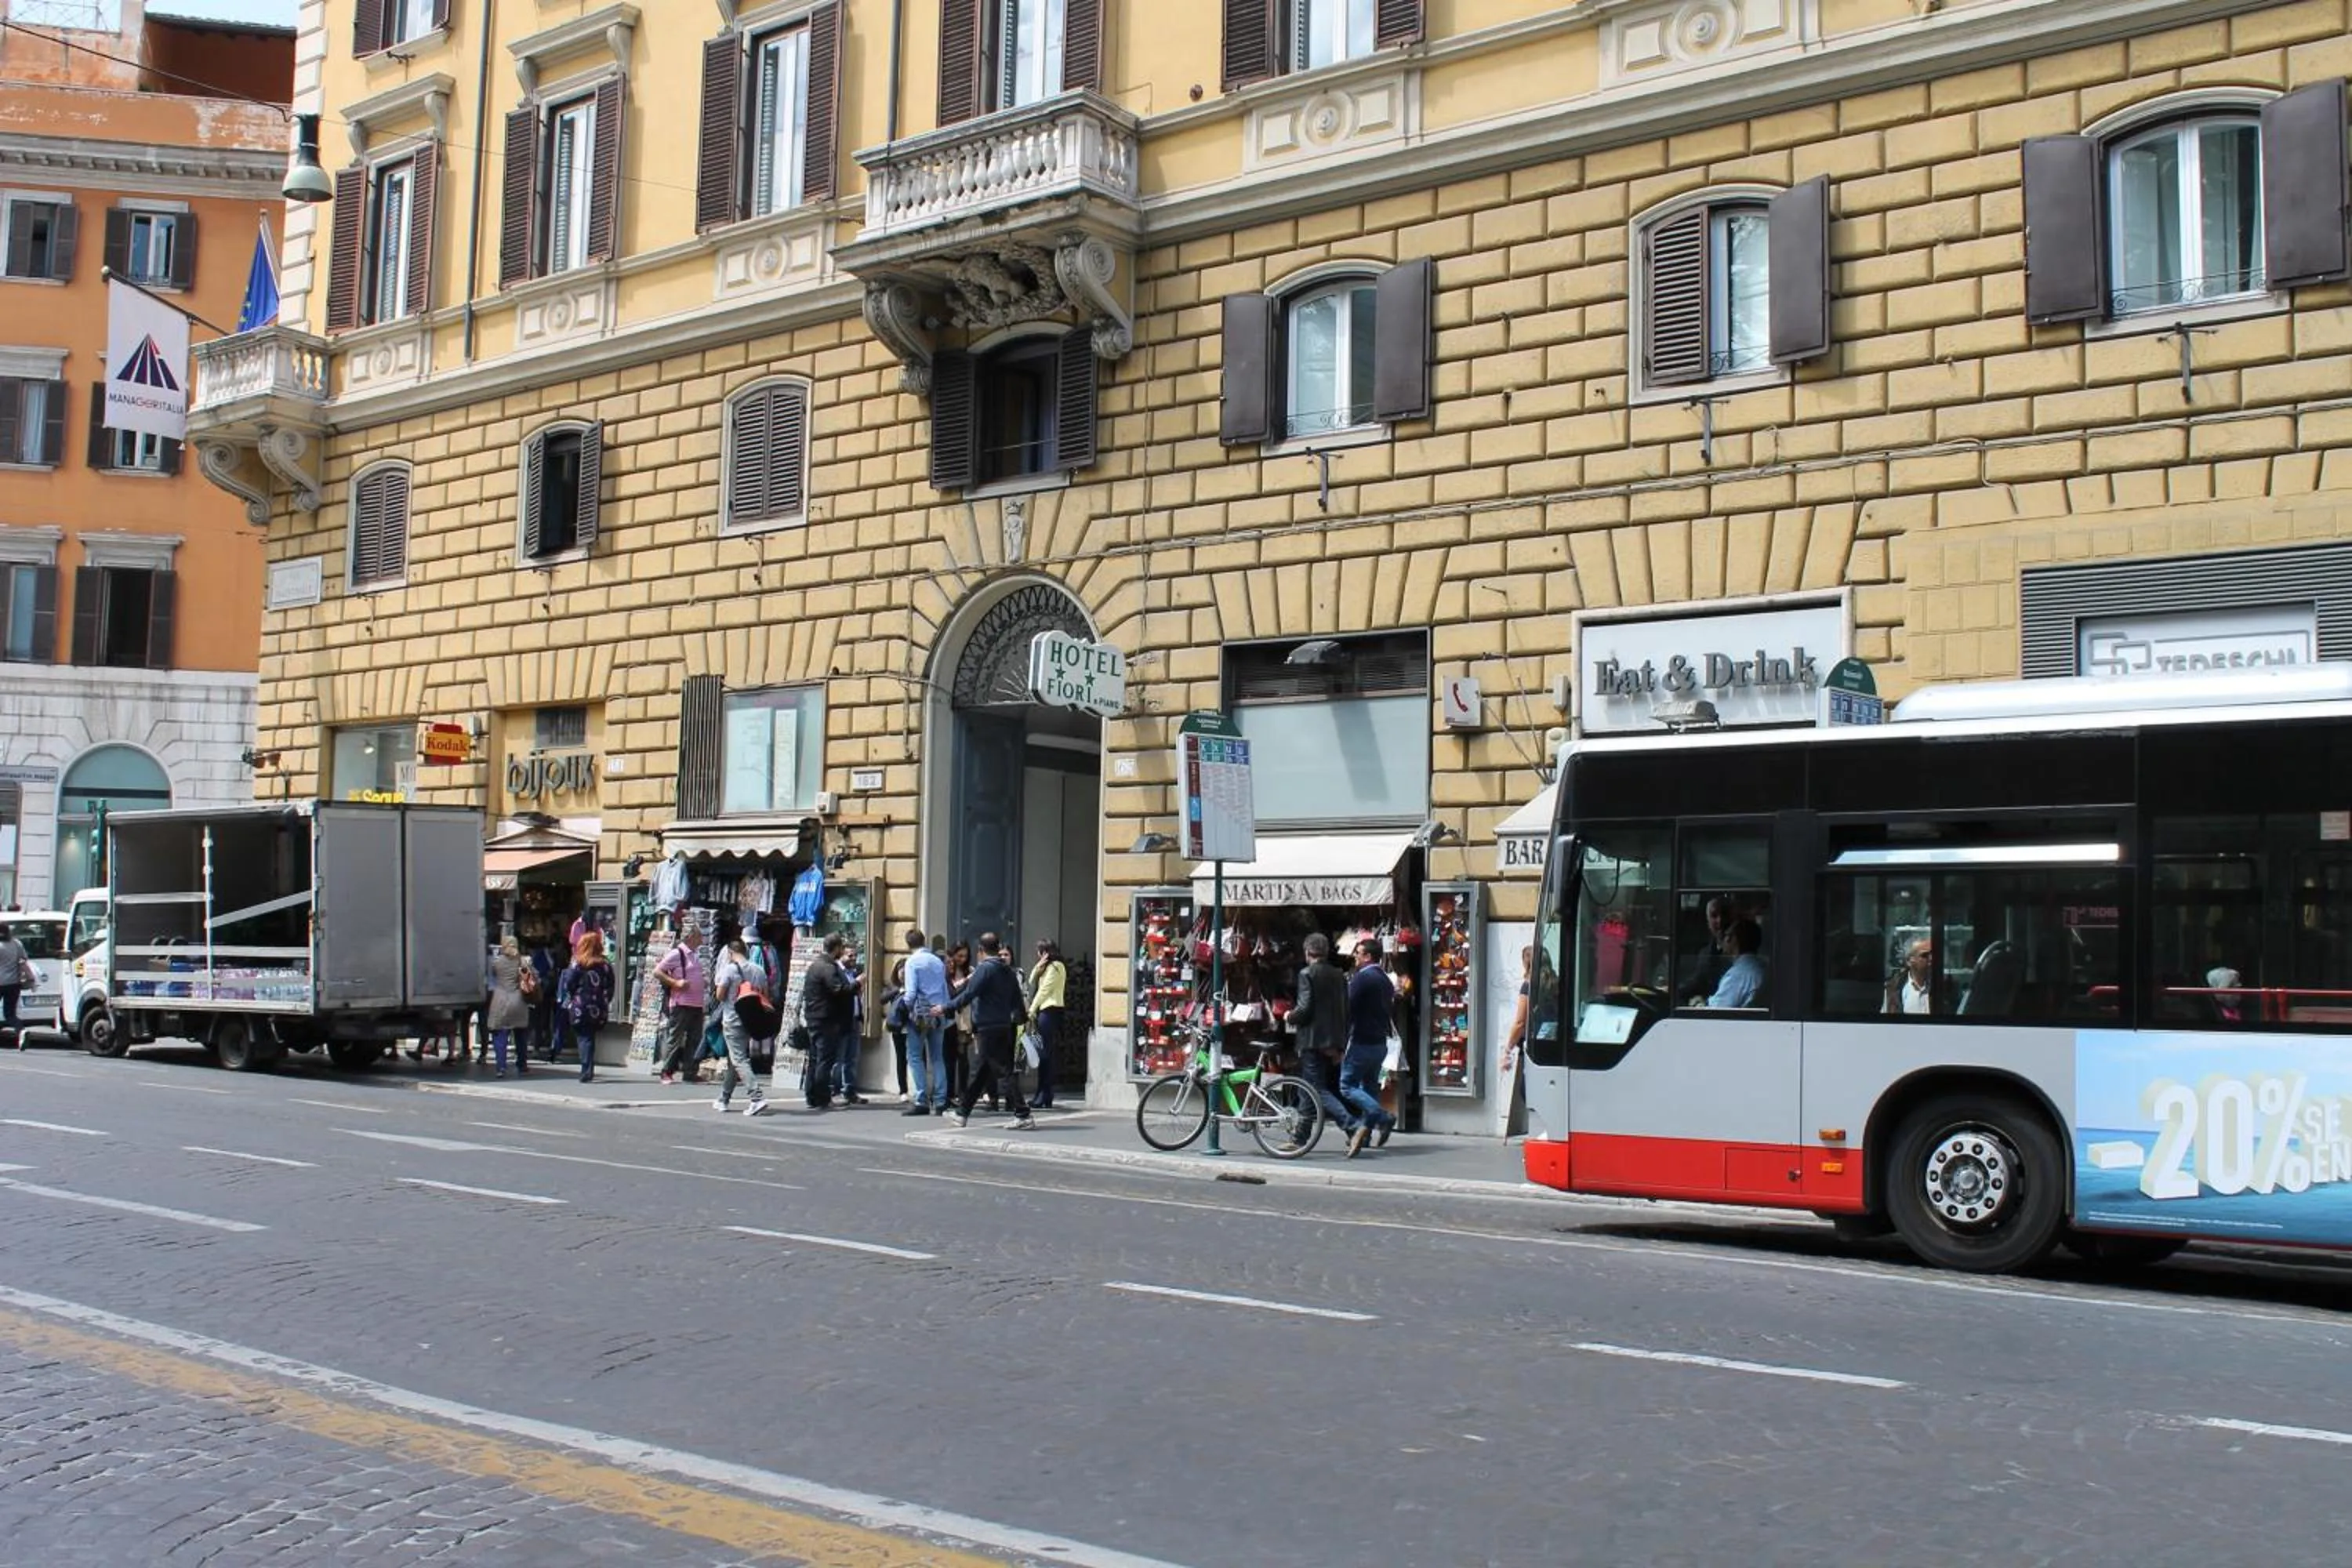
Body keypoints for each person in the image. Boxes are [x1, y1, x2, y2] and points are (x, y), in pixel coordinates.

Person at [942, 931, 1032, 1131]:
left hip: (988, 1028)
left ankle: (1023, 1113)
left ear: (980, 950)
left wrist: (945, 1008)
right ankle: (962, 1114)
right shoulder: (1007, 970)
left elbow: (969, 994)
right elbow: (1017, 997)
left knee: (1003, 1071)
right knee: (981, 1072)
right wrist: (1021, 1020)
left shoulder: (985, 969)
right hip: (1004, 1026)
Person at [1288, 932, 1357, 1140]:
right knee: (1307, 1090)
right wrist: (1341, 1044)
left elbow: (1304, 1009)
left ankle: (1352, 1125)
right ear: (1326, 952)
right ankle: (1301, 1136)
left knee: (1314, 1089)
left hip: (1312, 1040)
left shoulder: (1306, 974)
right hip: (1333, 1040)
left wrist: (1289, 1015)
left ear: (1307, 952)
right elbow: (1346, 1009)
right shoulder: (1339, 975)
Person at [1338, 937, 1399, 1156]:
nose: (1355, 956)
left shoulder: (1362, 978)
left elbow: (1347, 1007)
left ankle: (1383, 1117)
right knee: (1369, 1086)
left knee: (1347, 1086)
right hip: (1379, 1042)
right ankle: (1366, 1135)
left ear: (1368, 957)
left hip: (1361, 1040)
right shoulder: (1385, 979)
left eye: (1358, 953)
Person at [710, 935, 773, 1116]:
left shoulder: (730, 970)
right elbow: (765, 996)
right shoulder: (759, 970)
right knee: (734, 1059)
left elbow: (720, 996)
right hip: (750, 1020)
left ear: (730, 953)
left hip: (732, 1020)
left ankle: (757, 1097)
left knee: (739, 1060)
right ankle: (724, 1098)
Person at [800, 933, 858, 1109]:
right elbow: (838, 990)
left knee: (815, 1058)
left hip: (814, 1017)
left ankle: (812, 1096)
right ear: (837, 948)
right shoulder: (828, 967)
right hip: (826, 1019)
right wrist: (856, 984)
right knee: (824, 1060)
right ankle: (822, 1097)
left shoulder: (815, 965)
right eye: (841, 948)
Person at [901, 929, 950, 1116]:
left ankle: (921, 1099)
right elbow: (944, 988)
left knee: (915, 1056)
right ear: (924, 941)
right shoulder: (937, 961)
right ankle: (940, 1100)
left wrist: (902, 1010)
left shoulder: (912, 962)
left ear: (908, 944)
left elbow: (911, 993)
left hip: (919, 1015)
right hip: (938, 1012)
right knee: (938, 1057)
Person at [555, 931, 614, 1082]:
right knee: (590, 1036)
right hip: (598, 1006)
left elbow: (568, 984)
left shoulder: (578, 963)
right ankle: (589, 1067)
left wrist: (570, 998)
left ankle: (586, 1069)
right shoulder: (605, 965)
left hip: (580, 1005)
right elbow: (610, 985)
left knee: (583, 1037)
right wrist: (605, 1000)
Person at [653, 925, 708, 1084]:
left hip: (696, 1004)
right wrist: (675, 982)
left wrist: (702, 982)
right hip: (681, 1003)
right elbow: (658, 971)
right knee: (675, 1038)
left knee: (695, 1038)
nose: (701, 940)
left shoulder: (695, 955)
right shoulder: (677, 953)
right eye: (699, 937)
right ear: (690, 937)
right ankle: (667, 1071)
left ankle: (690, 1072)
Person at [1025, 938, 1069, 1109]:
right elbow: (1031, 981)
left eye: (1039, 952)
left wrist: (1031, 1010)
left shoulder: (1057, 967)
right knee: (1044, 1054)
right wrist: (1038, 967)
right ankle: (1043, 1094)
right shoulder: (1046, 968)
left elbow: (1044, 991)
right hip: (1044, 1011)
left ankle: (1044, 1094)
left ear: (1045, 952)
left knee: (1045, 1055)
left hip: (1050, 1011)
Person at [483, 938, 532, 1078]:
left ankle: (501, 1067)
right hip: (519, 1001)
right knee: (521, 1035)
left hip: (501, 1000)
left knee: (500, 1035)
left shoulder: (497, 963)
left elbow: (492, 976)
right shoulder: (523, 962)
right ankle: (522, 1065)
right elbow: (529, 982)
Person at [832, 941, 867, 1105]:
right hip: (841, 1020)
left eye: (855, 955)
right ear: (842, 955)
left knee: (852, 1057)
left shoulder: (854, 972)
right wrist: (857, 984)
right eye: (850, 955)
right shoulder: (837, 972)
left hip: (854, 1018)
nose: (854, 958)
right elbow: (841, 993)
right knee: (839, 1057)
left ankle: (849, 1090)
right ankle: (834, 1089)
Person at [1705, 920, 1767, 1009]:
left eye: (1726, 935)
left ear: (1733, 939)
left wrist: (1698, 1004)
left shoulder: (1738, 974)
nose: (1724, 940)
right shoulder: (1763, 966)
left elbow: (1716, 1010)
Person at [1883, 938, 1945, 1016]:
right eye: (1925, 955)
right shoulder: (1893, 989)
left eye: (1933, 954)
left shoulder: (1944, 988)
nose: (1931, 959)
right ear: (1909, 961)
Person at [0, 921, 34, 1050]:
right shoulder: (16, 944)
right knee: (10, 1014)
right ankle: (21, 1030)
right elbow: (23, 961)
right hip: (14, 984)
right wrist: (30, 978)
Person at [883, 955, 911, 1102]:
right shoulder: (893, 987)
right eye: (901, 970)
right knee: (901, 1058)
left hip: (913, 1027)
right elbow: (882, 998)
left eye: (906, 971)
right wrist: (898, 991)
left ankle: (921, 1088)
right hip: (898, 1028)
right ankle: (903, 1090)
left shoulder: (914, 986)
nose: (903, 974)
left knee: (918, 1058)